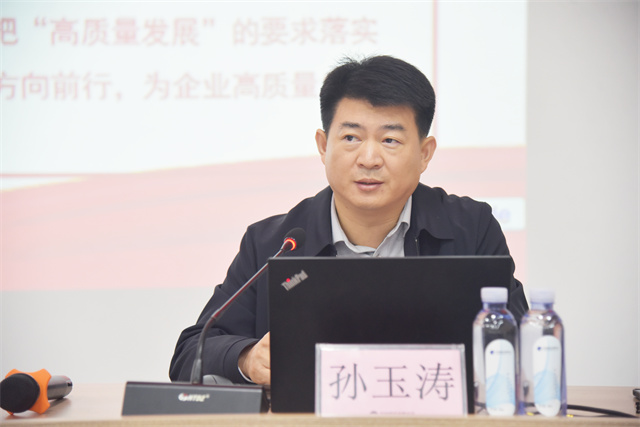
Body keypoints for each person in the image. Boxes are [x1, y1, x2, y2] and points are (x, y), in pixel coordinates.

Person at [169, 55, 528, 386]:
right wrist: (246, 358)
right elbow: (190, 354)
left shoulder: (470, 229)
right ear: (324, 146)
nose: (369, 158)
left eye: (390, 139)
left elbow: (522, 342)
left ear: (424, 153)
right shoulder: (273, 243)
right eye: (351, 137)